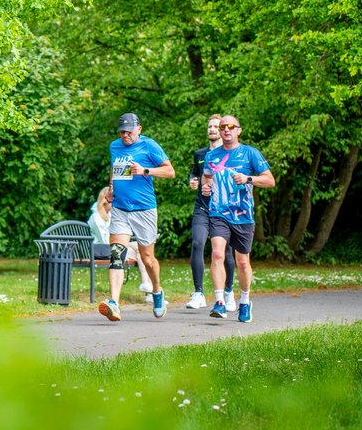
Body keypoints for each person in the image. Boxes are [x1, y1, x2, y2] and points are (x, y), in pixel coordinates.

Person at [99, 113, 175, 322]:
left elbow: (170, 172)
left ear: (138, 129)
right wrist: (111, 189)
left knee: (148, 258)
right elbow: (115, 171)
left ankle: (157, 291)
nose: (125, 135)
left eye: (129, 131)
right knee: (116, 255)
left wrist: (145, 170)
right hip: (121, 209)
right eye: (122, 131)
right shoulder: (115, 146)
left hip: (144, 210)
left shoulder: (150, 146)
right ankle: (114, 303)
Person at [201, 115, 275, 322]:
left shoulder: (250, 153)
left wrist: (248, 178)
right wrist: (206, 188)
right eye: (223, 126)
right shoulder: (211, 156)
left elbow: (270, 181)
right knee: (217, 254)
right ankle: (220, 301)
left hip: (243, 214)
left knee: (242, 262)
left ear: (238, 130)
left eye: (230, 126)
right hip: (218, 212)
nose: (226, 130)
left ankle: (244, 301)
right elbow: (207, 179)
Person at [186, 114, 236, 310]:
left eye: (216, 126)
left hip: (224, 208)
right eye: (210, 127)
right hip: (202, 207)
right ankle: (198, 293)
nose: (213, 130)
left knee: (226, 252)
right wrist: (192, 180)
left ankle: (229, 292)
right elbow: (194, 172)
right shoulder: (200, 154)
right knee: (197, 243)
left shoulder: (232, 154)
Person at [88, 187, 151, 299]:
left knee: (141, 249)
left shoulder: (112, 215)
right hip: (102, 249)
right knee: (138, 248)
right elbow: (104, 239)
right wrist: (122, 242)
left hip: (112, 248)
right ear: (105, 201)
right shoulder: (96, 218)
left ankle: (147, 286)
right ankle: (148, 289)